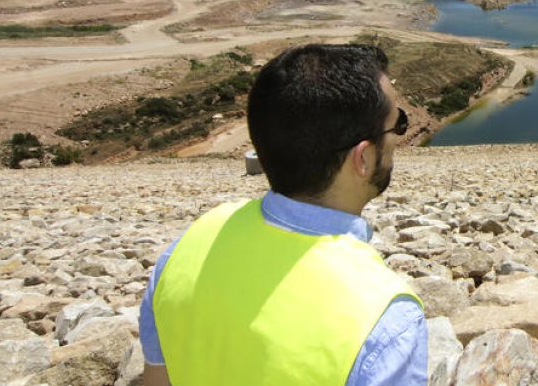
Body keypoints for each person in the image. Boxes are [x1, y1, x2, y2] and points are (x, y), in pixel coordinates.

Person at [139, 44, 427, 386]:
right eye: (399, 124)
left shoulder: (187, 248)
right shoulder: (385, 319)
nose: (398, 137)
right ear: (361, 160)